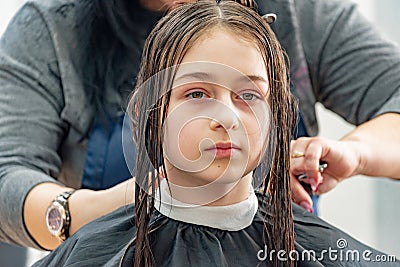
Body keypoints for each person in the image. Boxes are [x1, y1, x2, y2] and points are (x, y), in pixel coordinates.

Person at [0, 0, 399, 252]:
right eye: (195, 94)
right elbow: (6, 174)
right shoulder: (54, 31)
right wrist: (98, 210)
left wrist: (356, 151)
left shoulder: (303, 14)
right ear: (145, 114)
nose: (225, 117)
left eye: (249, 95)